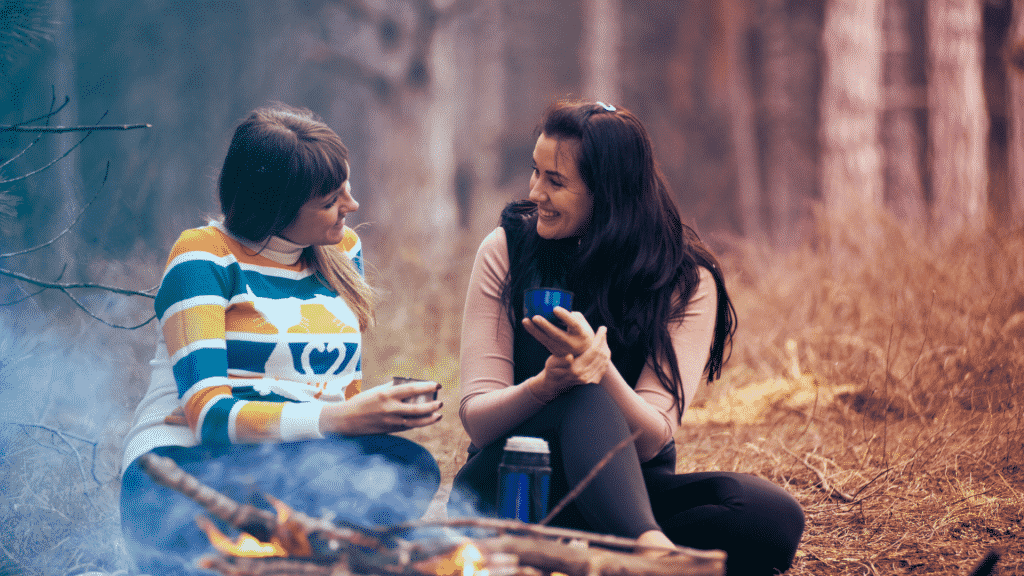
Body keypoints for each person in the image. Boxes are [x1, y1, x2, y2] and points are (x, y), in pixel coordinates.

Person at [451, 100, 804, 575]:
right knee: (581, 398)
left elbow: (653, 438)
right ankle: (650, 554)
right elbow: (478, 420)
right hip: (509, 487)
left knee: (771, 515)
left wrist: (603, 372)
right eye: (535, 172)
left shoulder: (685, 279)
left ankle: (611, 548)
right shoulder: (507, 250)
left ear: (609, 193)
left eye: (555, 181)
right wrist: (547, 385)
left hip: (623, 493)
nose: (535, 192)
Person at [120, 104, 444, 576]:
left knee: (409, 466)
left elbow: (340, 392)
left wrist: (373, 416)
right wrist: (340, 418)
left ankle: (304, 548)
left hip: (293, 461)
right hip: (188, 464)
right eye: (332, 200)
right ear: (275, 206)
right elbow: (210, 417)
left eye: (347, 189)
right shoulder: (204, 256)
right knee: (285, 495)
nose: (351, 207)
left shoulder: (341, 250)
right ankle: (304, 546)